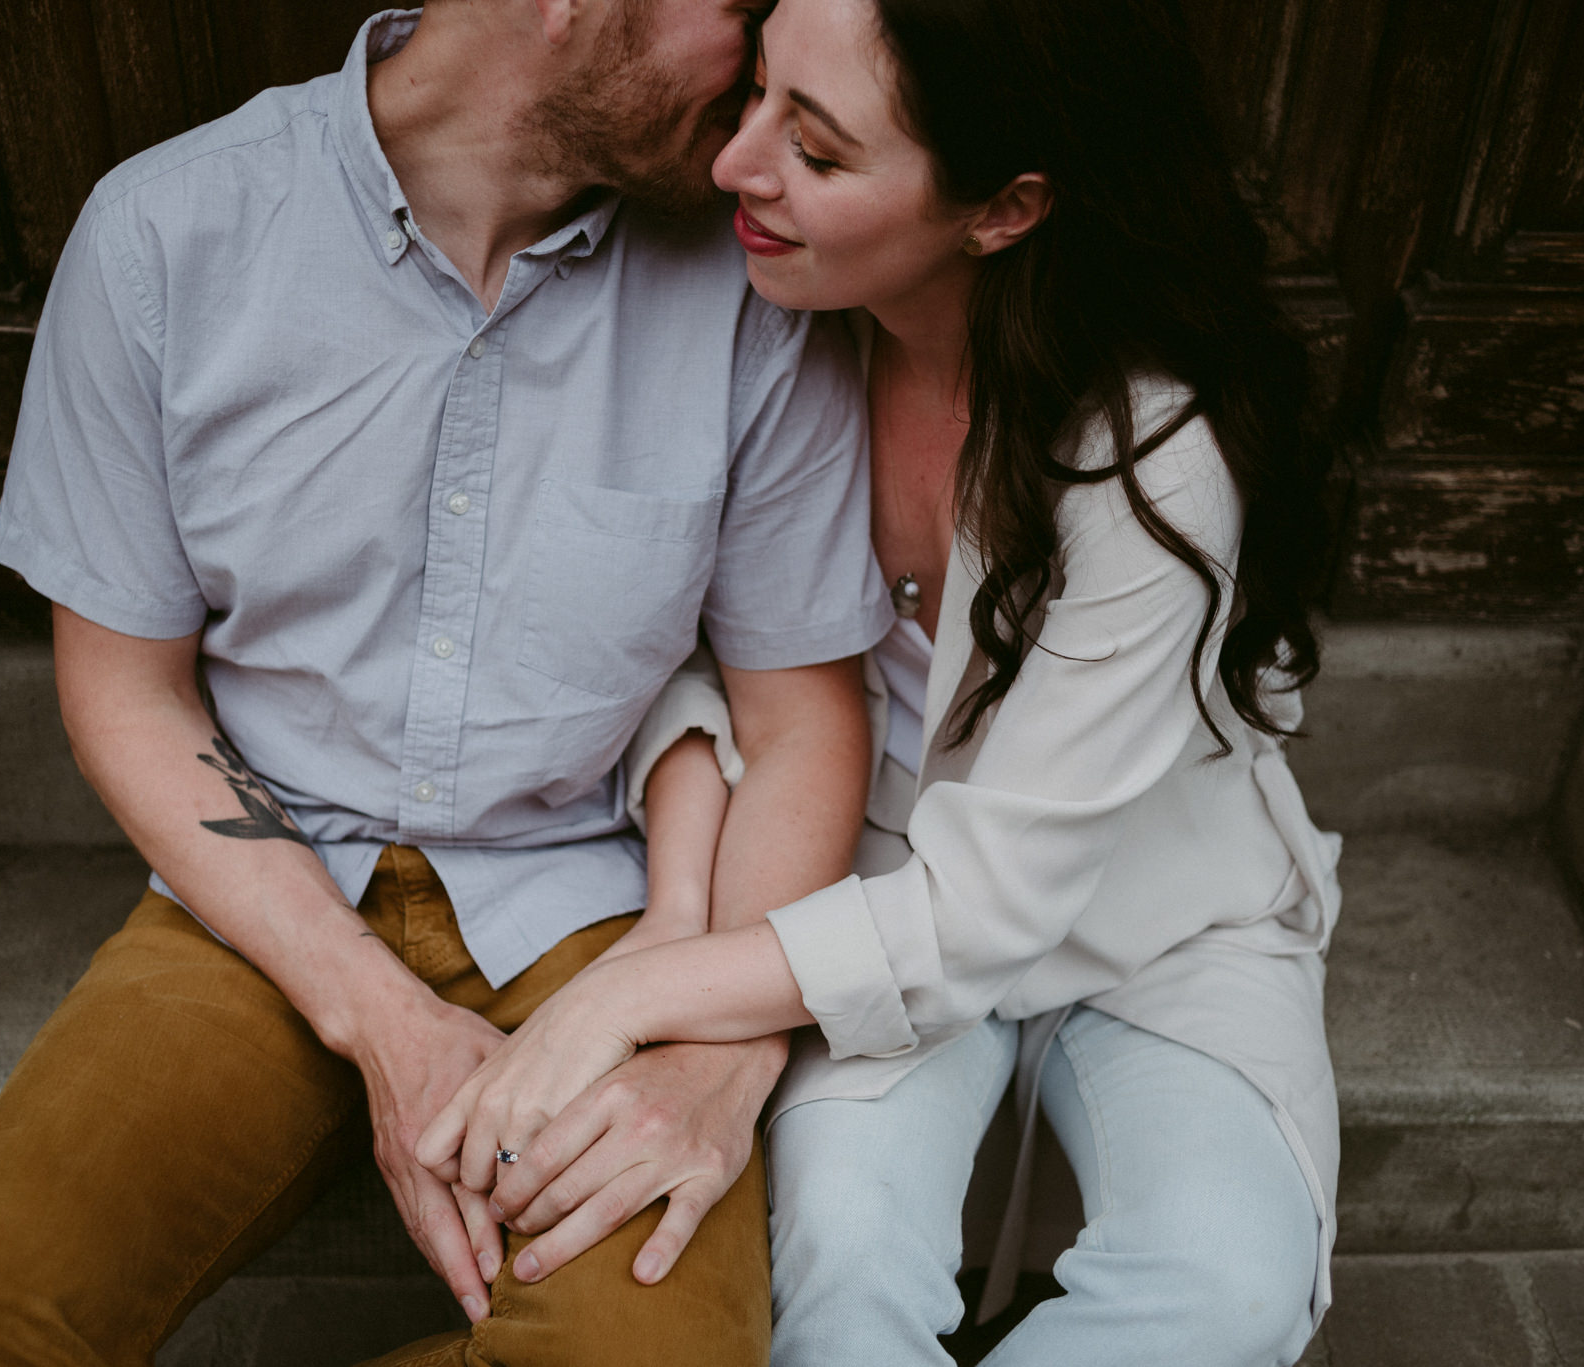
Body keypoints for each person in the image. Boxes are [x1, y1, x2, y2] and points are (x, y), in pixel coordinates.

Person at [0, 3, 895, 1365]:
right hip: (264, 894)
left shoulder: (754, 284)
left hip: (603, 910)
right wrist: (377, 1015)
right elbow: (127, 693)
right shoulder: (165, 240)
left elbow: (803, 721)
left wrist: (727, 1038)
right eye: (736, 14)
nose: (760, 83)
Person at [419, 0, 1344, 1363]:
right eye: (755, 101)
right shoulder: (769, 323)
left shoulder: (1148, 456)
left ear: (1005, 208)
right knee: (840, 1284)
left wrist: (625, 996)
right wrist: (679, 906)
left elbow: (989, 911)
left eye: (818, 150)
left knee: (1226, 1289)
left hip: (1155, 912)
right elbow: (651, 644)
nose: (736, 167)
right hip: (842, 882)